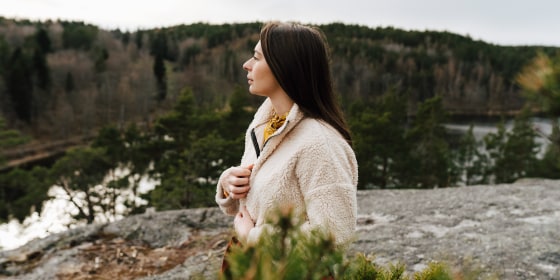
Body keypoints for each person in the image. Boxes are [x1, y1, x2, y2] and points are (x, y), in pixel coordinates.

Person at [215, 21, 358, 250]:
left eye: (257, 57)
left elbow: (334, 233)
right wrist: (230, 183)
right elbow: (263, 199)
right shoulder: (264, 126)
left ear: (284, 66)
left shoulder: (320, 142)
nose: (246, 65)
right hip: (253, 264)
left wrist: (254, 237)